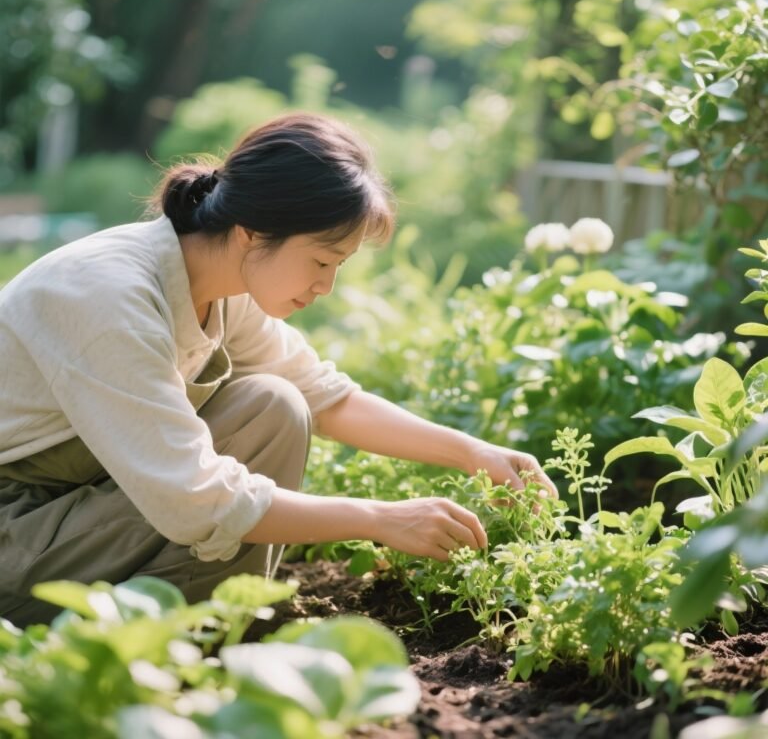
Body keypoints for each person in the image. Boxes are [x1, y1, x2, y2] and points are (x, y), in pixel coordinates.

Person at [0, 113, 557, 626]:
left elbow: (326, 397)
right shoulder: (107, 297)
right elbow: (193, 497)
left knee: (275, 405)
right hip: (16, 531)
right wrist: (378, 518)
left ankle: (202, 629)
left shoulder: (222, 284)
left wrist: (472, 453)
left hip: (74, 508)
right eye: (320, 260)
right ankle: (167, 645)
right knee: (235, 465)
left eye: (338, 266)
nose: (325, 286)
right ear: (252, 229)